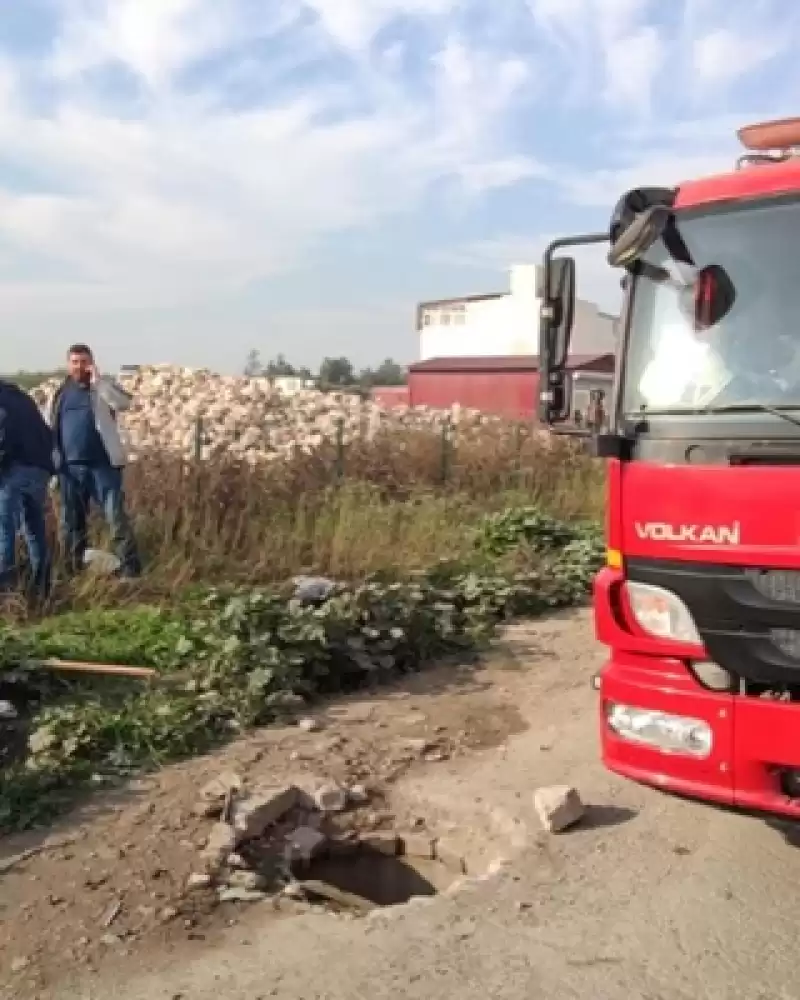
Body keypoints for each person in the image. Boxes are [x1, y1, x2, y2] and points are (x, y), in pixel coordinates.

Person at [44, 344, 142, 578]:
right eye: (75, 362)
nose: (80, 367)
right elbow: (49, 425)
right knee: (72, 523)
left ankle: (130, 569)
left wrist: (99, 381)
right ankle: (72, 568)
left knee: (115, 518)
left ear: (92, 363)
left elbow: (124, 403)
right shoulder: (60, 393)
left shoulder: (101, 387)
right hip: (69, 469)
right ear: (68, 364)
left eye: (84, 362)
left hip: (102, 466)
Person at [0, 379, 56, 597]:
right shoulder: (21, 397)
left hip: (14, 469)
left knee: (4, 530)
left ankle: (5, 594)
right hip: (38, 470)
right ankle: (42, 588)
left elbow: (3, 438)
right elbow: (46, 433)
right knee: (34, 529)